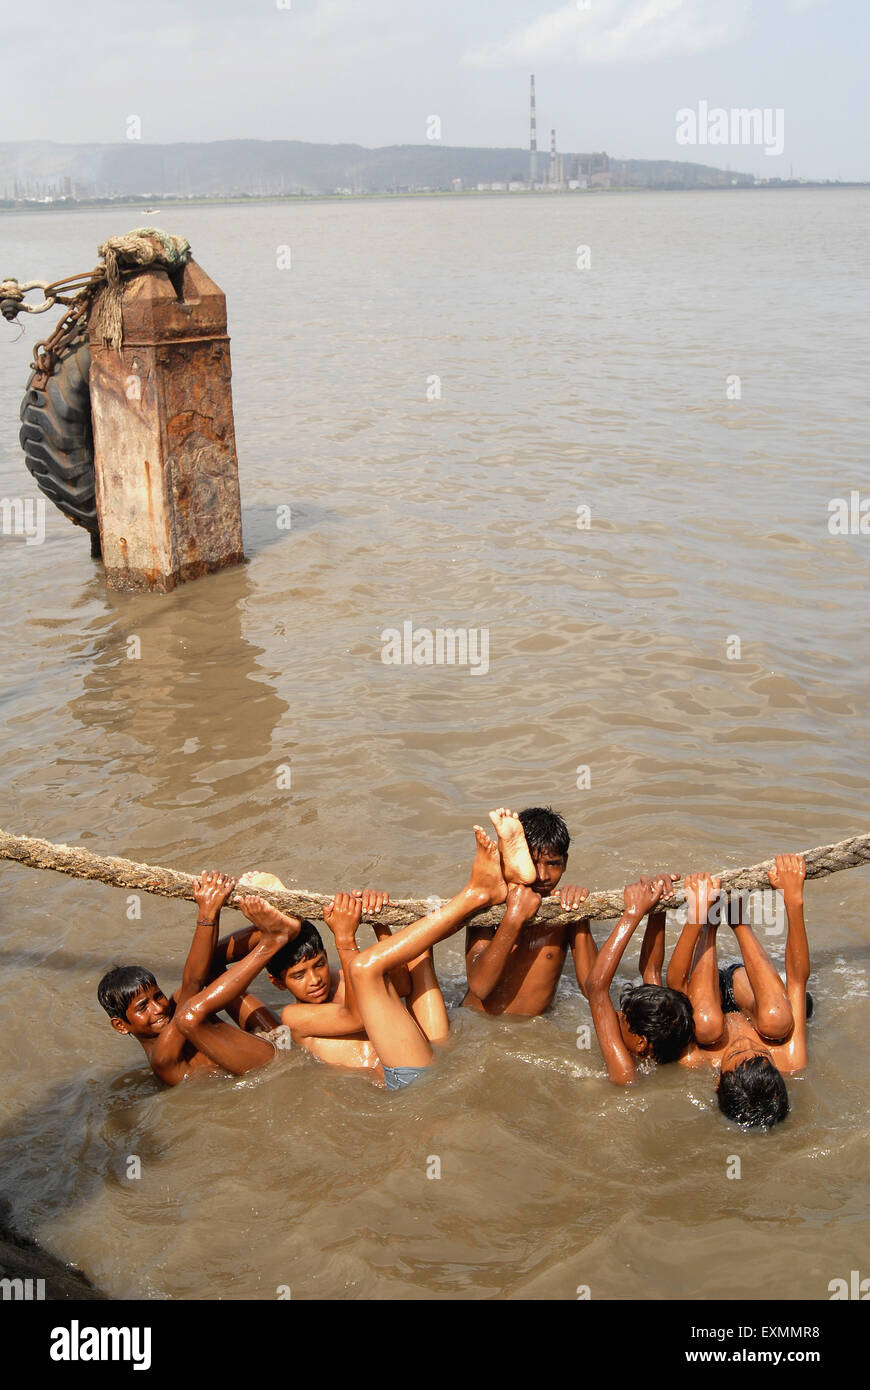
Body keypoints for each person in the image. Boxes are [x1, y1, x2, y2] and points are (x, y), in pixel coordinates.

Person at [347, 813, 532, 1089]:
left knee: (403, 957)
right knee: (364, 968)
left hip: (413, 1075)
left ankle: (487, 890)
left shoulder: (290, 1016)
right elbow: (361, 1011)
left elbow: (396, 986)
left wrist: (378, 924)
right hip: (423, 1066)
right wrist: (344, 938)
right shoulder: (296, 1020)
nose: (315, 980)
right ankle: (479, 893)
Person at [96, 871, 292, 1086]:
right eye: (143, 1007)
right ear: (120, 1025)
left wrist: (214, 904)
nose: (158, 1008)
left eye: (158, 996)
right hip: (275, 1067)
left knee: (208, 967)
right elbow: (191, 983)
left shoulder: (175, 1007)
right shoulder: (162, 1060)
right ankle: (274, 940)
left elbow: (196, 974)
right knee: (190, 1015)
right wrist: (208, 912)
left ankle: (278, 927)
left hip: (279, 1038)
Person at [668, 856, 810, 1127]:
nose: (744, 1044)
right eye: (760, 1053)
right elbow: (797, 980)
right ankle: (739, 922)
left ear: (719, 1078)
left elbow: (676, 986)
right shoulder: (791, 1059)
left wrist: (698, 916)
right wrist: (793, 899)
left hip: (706, 994)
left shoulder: (695, 1060)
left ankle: (711, 924)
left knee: (706, 1025)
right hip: (747, 994)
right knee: (777, 1020)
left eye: (734, 1054)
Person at [462, 806, 593, 1016]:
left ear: (565, 863)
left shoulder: (563, 910)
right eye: (532, 862)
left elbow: (591, 989)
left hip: (532, 1034)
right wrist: (513, 917)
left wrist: (579, 913)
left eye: (553, 864)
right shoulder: (489, 907)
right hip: (477, 1023)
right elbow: (480, 987)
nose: (543, 875)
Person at [583, 872, 695, 1084]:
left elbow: (596, 987)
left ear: (641, 1043)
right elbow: (651, 970)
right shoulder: (662, 1044)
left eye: (624, 1018)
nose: (615, 1014)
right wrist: (658, 906)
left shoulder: (625, 1072)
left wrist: (633, 912)